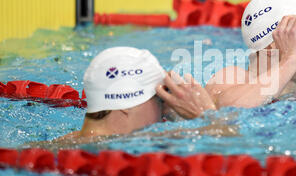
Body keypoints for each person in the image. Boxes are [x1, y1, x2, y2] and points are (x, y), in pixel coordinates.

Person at [38, 46, 231, 147]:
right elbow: (234, 152)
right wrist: (207, 116)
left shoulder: (54, 147)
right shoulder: (125, 148)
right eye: (160, 98)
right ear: (127, 105)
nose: (165, 110)